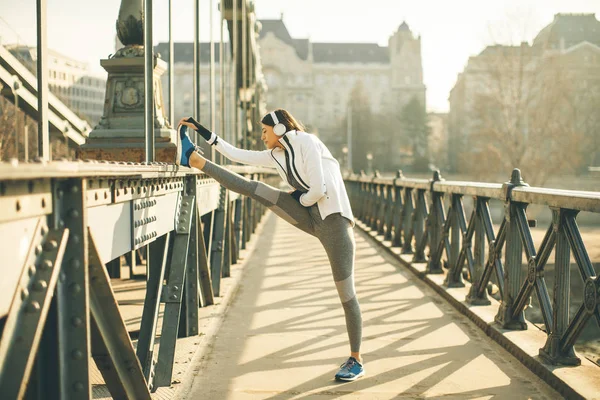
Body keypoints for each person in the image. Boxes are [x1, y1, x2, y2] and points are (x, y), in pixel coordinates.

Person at [176, 109, 364, 381]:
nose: (261, 136)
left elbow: (320, 190)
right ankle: (194, 158)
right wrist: (200, 129)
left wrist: (299, 198)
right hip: (310, 217)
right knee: (256, 189)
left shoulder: (306, 141)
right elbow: (235, 153)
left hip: (334, 224)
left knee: (347, 296)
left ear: (278, 129)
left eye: (264, 131)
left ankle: (356, 359)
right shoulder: (276, 154)